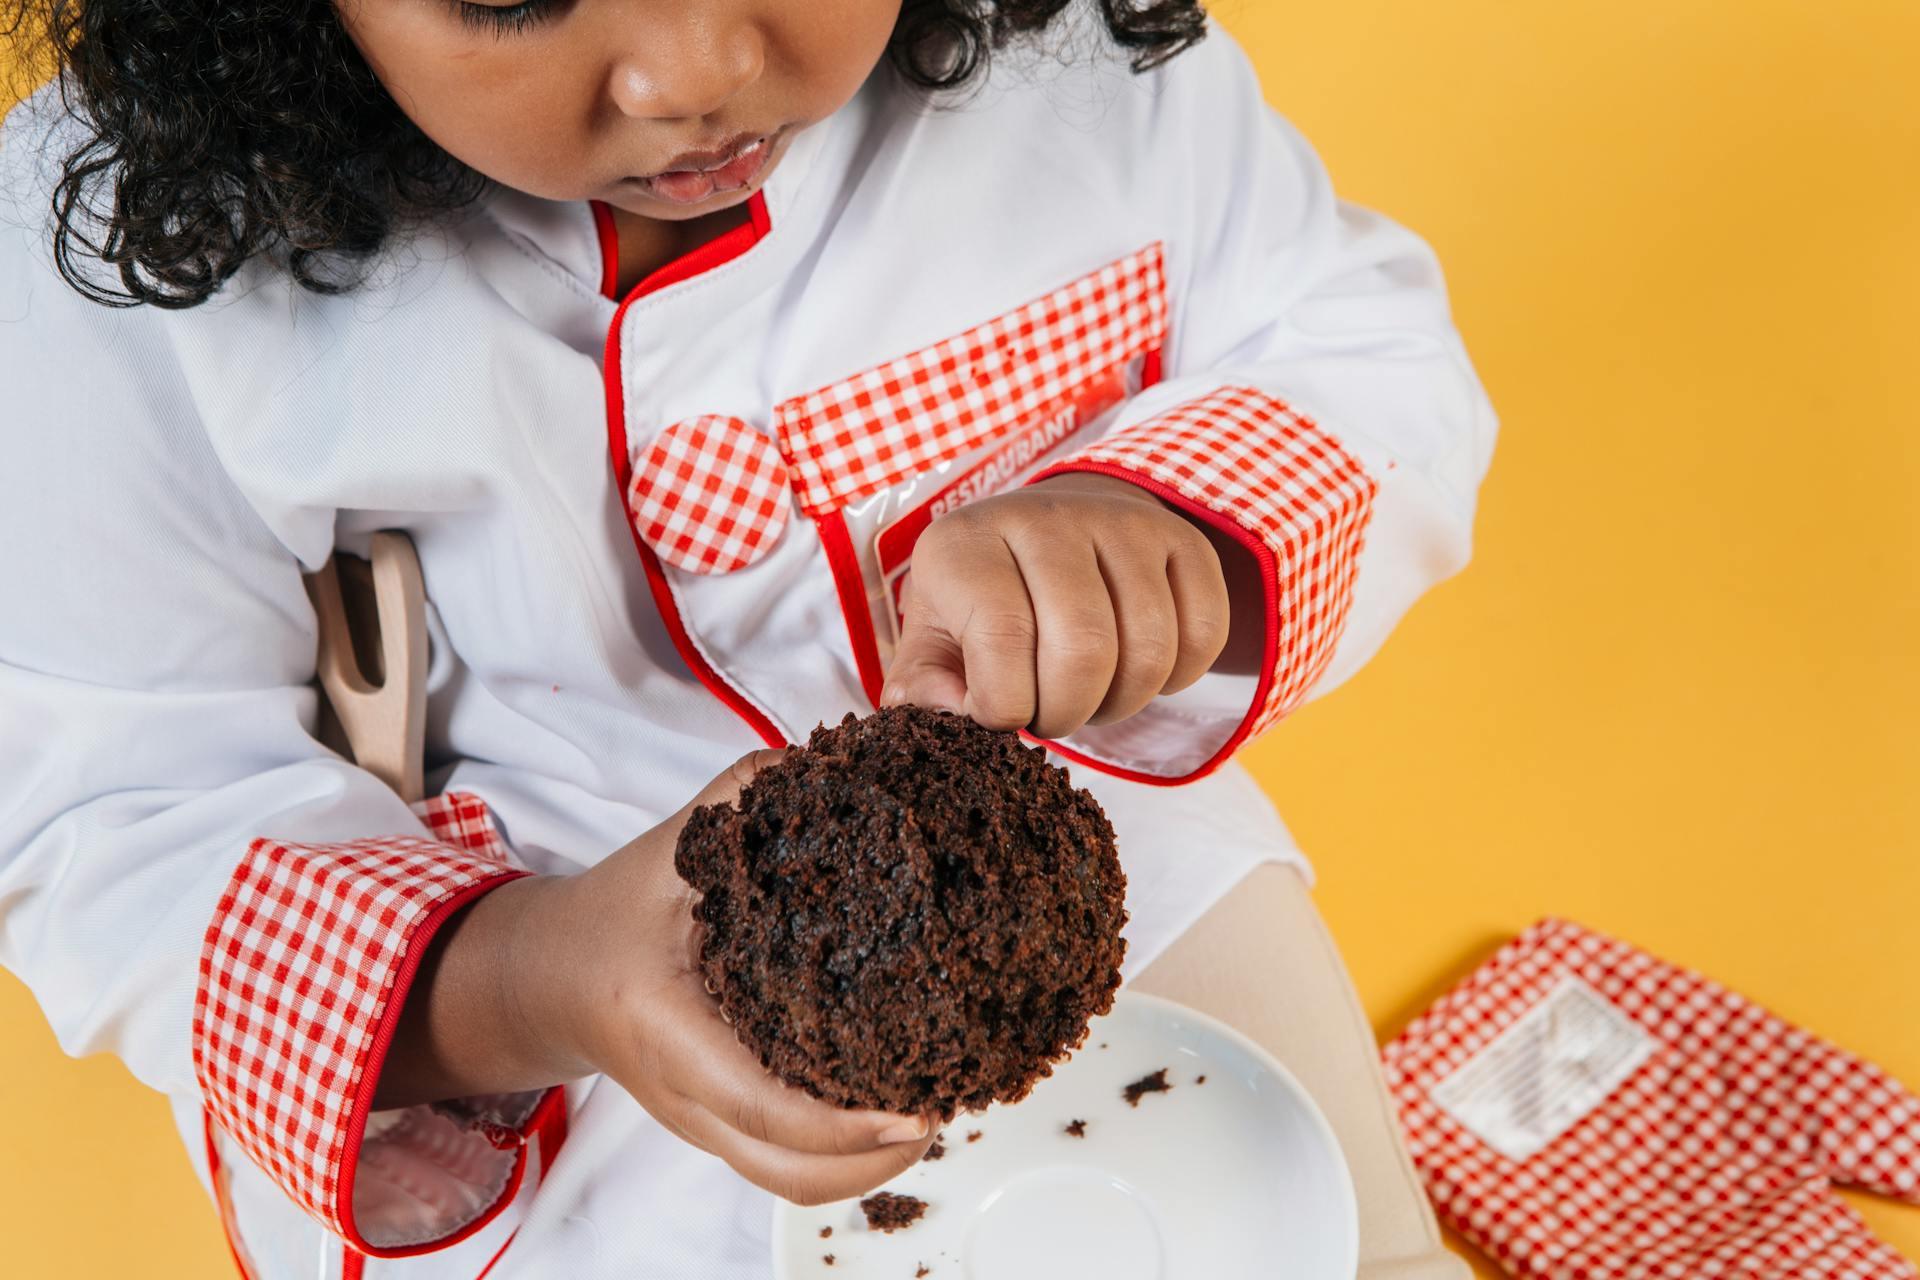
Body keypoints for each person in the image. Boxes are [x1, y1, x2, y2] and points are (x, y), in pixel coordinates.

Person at [0, 1, 1497, 1276]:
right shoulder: (118, 248)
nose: (690, 70)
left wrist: (1162, 527)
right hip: (516, 988)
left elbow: (1351, 342)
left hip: (1104, 852)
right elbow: (112, 797)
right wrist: (530, 978)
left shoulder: (1088, 68)